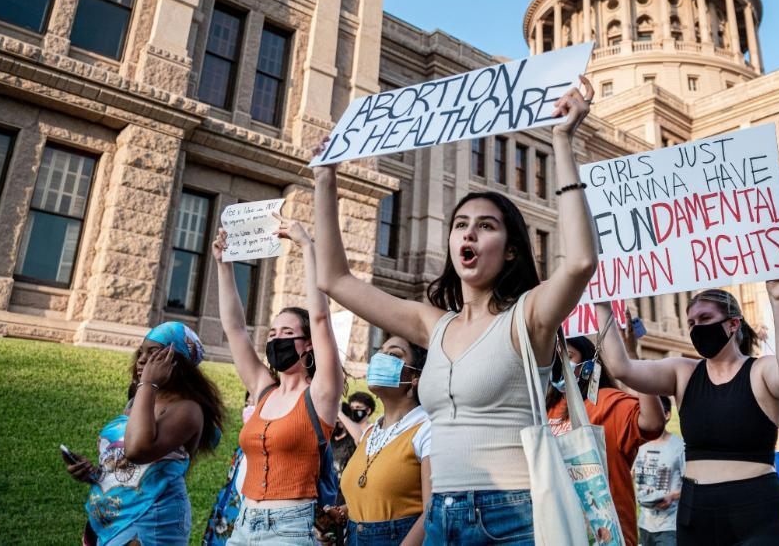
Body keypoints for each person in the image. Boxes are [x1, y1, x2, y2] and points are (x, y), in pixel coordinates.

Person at [313, 78, 598, 545]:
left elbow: (582, 262)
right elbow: (335, 280)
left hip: (512, 513)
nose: (469, 233)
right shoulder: (433, 323)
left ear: (509, 250)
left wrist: (563, 142)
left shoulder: (528, 317)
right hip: (442, 514)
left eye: (485, 226)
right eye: (461, 225)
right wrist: (326, 180)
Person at [595, 271, 779, 545]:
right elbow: (622, 368)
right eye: (692, 322)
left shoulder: (760, 369)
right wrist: (601, 300)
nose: (697, 328)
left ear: (732, 324)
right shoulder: (683, 371)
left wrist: (778, 301)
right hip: (697, 508)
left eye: (705, 319)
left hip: (755, 506)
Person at [213, 215, 346, 546]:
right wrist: (223, 265)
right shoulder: (263, 390)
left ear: (308, 343)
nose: (277, 340)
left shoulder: (321, 394)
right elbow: (235, 329)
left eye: (288, 333)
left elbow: (319, 317)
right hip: (243, 523)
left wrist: (307, 247)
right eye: (272, 334)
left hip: (292, 529)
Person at [65, 322, 225, 546]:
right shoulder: (137, 402)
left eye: (154, 353)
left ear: (177, 362)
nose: (141, 359)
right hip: (112, 517)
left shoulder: (188, 410)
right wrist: (95, 474)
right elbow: (130, 466)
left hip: (151, 520)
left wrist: (148, 383)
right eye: (141, 352)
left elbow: (138, 450)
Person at [545, 315, 666, 546]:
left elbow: (653, 423)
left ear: (589, 362)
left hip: (609, 535)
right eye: (555, 358)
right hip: (560, 532)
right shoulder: (548, 410)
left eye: (568, 356)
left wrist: (633, 359)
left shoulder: (607, 401)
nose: (561, 364)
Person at [338, 336, 431, 545]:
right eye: (380, 352)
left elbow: (433, 511)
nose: (380, 359)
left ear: (415, 376)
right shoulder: (371, 432)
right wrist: (342, 514)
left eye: (394, 355)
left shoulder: (427, 429)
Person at [202, 392, 260, 545]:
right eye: (247, 404)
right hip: (228, 512)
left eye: (254, 404)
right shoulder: (242, 448)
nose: (248, 409)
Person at [632, 396, 685, 546]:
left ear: (667, 415)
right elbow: (629, 474)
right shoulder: (640, 444)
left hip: (669, 527)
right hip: (644, 524)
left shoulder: (679, 446)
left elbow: (692, 484)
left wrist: (672, 496)